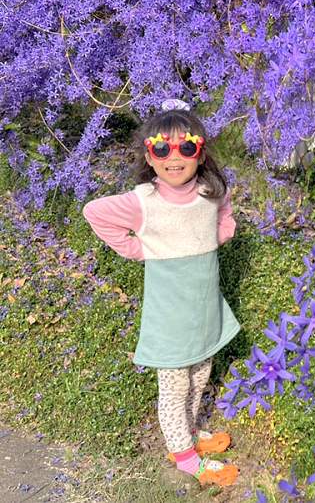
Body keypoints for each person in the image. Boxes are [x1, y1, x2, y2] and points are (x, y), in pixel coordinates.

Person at [82, 99, 240, 487]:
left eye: (185, 147)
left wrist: (223, 232)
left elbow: (224, 211)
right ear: (149, 158)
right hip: (169, 319)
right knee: (175, 386)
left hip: (204, 309)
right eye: (162, 149)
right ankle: (184, 457)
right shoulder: (143, 201)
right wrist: (138, 249)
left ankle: (187, 434)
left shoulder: (208, 190)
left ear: (199, 154)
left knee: (201, 373)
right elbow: (95, 213)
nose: (175, 157)